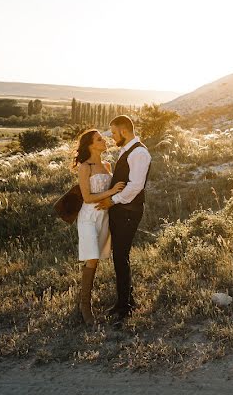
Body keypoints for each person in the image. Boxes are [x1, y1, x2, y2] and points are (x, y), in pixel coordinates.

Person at [95, 114, 151, 325]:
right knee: (120, 255)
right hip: (121, 210)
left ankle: (124, 307)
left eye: (114, 133)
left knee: (120, 255)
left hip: (128, 210)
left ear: (125, 131)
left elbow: (136, 186)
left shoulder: (139, 153)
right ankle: (126, 300)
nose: (112, 137)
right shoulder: (127, 150)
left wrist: (113, 200)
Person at [70, 129, 125, 325]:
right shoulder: (86, 167)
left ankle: (84, 302)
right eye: (99, 139)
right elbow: (87, 197)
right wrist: (110, 192)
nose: (104, 141)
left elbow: (111, 195)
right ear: (91, 144)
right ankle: (86, 308)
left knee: (95, 260)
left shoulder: (108, 165)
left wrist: (111, 197)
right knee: (92, 257)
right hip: (88, 217)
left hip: (104, 217)